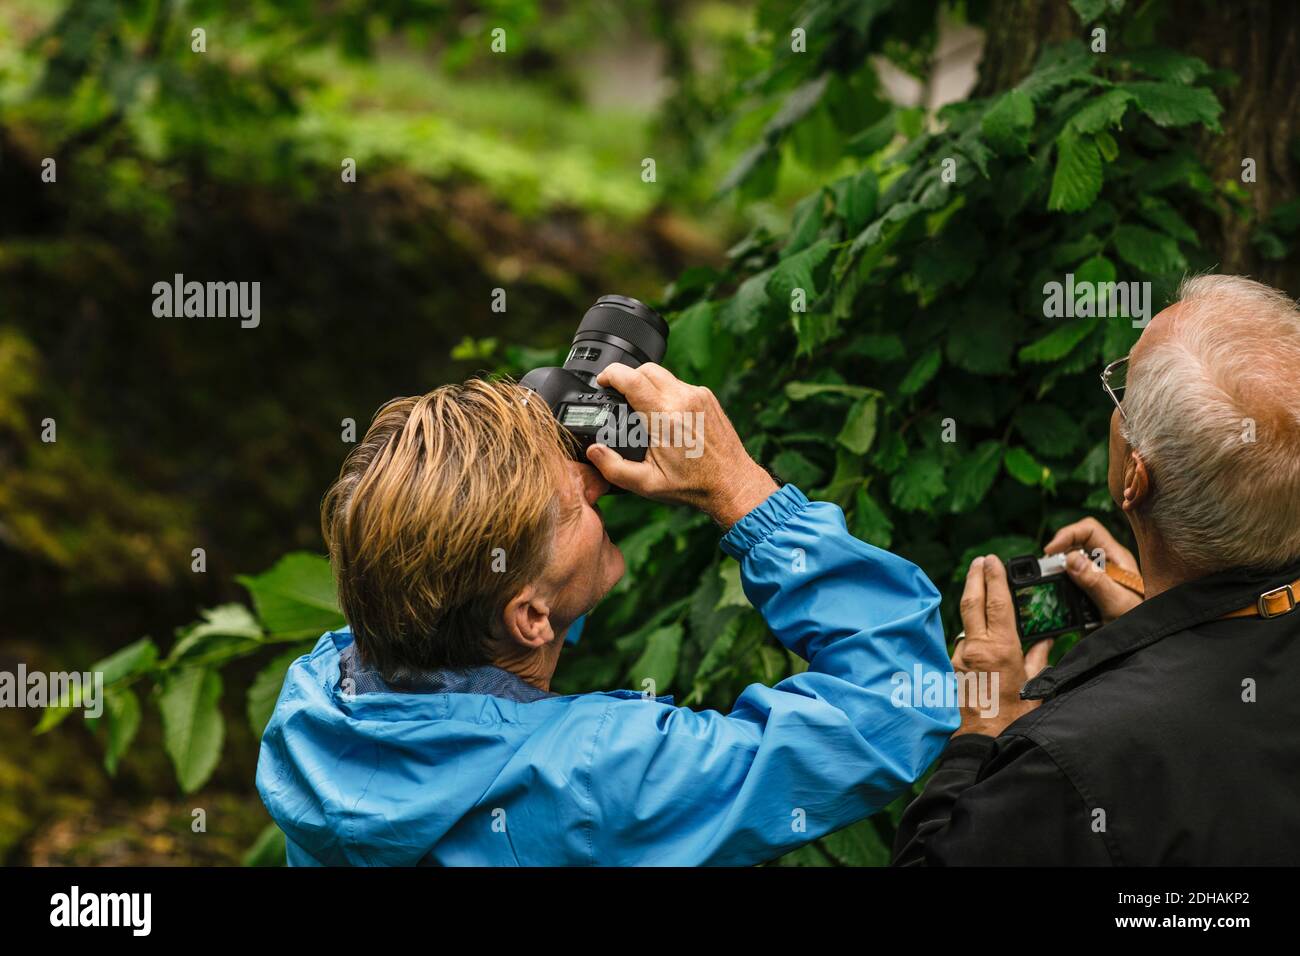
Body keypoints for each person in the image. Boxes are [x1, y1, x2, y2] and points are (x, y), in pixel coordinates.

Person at [256, 360, 957, 865]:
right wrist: (741, 492)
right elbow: (892, 702)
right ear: (528, 618)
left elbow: (442, 598)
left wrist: (524, 493)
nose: (594, 477)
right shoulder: (598, 778)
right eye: (576, 501)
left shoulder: (319, 702)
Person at [894, 275, 1300, 865]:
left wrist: (980, 734)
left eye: (1121, 391)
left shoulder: (1063, 762)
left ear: (1136, 477)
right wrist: (1164, 630)